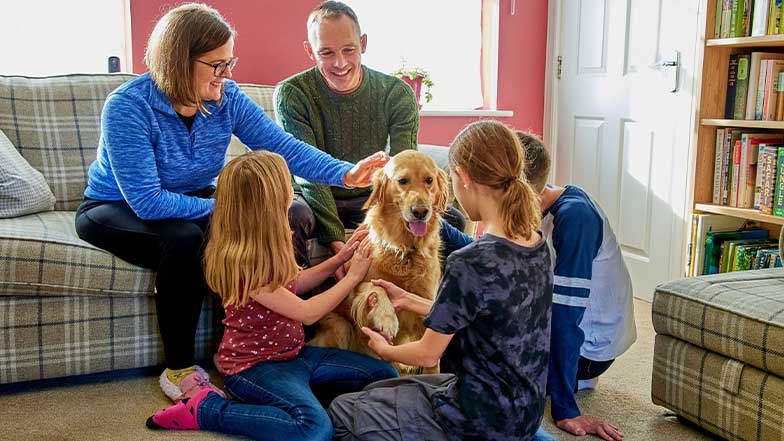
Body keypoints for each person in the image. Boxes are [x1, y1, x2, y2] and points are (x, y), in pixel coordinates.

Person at [74, 3, 388, 403]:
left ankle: (272, 345)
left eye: (229, 62)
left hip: (193, 196)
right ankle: (180, 368)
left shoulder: (226, 97)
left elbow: (281, 146)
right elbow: (148, 200)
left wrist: (346, 173)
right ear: (180, 61)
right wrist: (233, 212)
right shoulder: (128, 107)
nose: (227, 74)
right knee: (184, 238)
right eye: (218, 65)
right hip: (115, 205)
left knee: (292, 211)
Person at [145, 151, 398, 440]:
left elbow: (295, 284)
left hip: (295, 354)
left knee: (385, 375)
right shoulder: (244, 262)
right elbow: (307, 312)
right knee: (313, 430)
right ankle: (208, 408)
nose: (292, 189)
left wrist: (343, 257)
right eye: (286, 185)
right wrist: (353, 276)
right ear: (267, 204)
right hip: (254, 368)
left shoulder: (271, 242)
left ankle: (297, 399)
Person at [327, 120, 554, 441]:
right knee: (387, 388)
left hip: (473, 417)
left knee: (341, 411)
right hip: (524, 412)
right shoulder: (536, 241)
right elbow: (482, 312)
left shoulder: (470, 261)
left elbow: (426, 355)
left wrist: (383, 349)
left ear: (460, 178)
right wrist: (411, 300)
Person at [275, 1, 466, 269]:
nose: (340, 63)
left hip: (370, 196)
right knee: (289, 216)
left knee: (453, 221)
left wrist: (374, 230)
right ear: (310, 51)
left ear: (363, 44)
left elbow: (405, 170)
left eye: (349, 50)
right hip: (311, 195)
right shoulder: (292, 94)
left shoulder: (396, 93)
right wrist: (336, 244)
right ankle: (299, 305)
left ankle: (434, 305)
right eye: (327, 53)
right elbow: (307, 173)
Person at [519, 131, 634, 441]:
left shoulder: (575, 218)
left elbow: (566, 318)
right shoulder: (544, 202)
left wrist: (566, 410)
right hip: (564, 324)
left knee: (490, 364)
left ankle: (571, 380)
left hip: (590, 348)